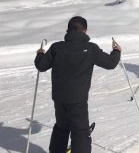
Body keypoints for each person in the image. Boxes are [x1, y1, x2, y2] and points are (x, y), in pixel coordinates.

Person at [34, 16, 122, 153]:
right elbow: (110, 63)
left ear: (67, 30)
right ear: (85, 31)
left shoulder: (57, 47)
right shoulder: (90, 48)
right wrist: (117, 51)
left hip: (59, 98)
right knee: (80, 132)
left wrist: (40, 54)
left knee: (61, 127)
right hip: (78, 100)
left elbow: (41, 65)